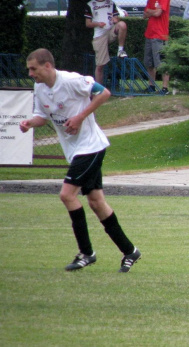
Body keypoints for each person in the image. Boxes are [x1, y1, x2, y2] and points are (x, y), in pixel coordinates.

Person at [20, 48, 141, 273]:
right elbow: (43, 117)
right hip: (76, 151)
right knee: (96, 202)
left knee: (67, 195)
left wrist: (80, 117)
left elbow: (104, 93)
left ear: (47, 66)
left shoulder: (72, 80)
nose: (30, 73)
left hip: (91, 147)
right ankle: (129, 251)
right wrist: (29, 123)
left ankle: (86, 253)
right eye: (29, 69)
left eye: (33, 68)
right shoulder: (39, 88)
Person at [85, 0, 128, 84]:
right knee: (100, 66)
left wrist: (115, 20)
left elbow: (116, 17)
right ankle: (99, 90)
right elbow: (88, 23)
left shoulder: (111, 3)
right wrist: (98, 24)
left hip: (110, 31)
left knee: (122, 24)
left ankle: (120, 50)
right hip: (99, 35)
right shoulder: (90, 4)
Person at [143, 0, 171, 95]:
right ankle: (151, 86)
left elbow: (158, 13)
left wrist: (151, 11)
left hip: (160, 35)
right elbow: (144, 15)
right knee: (149, 63)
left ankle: (165, 88)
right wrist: (153, 11)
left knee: (161, 63)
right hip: (149, 34)